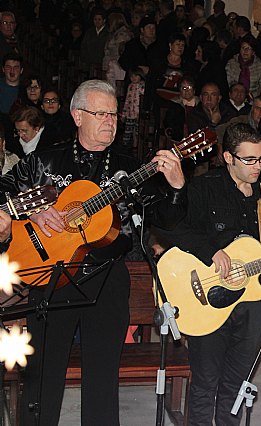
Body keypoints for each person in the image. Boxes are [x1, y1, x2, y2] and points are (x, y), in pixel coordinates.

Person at [0, 79, 184, 425]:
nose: (110, 121)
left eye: (114, 114)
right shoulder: (44, 161)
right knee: (43, 374)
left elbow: (168, 219)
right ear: (77, 116)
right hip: (51, 273)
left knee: (102, 376)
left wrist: (176, 186)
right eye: (100, 113)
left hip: (107, 276)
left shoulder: (130, 167)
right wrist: (32, 211)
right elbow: (3, 194)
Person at [156, 122, 261, 425]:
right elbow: (171, 227)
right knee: (205, 383)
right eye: (248, 159)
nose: (257, 166)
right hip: (207, 299)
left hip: (251, 301)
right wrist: (211, 251)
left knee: (236, 385)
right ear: (228, 158)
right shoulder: (205, 188)